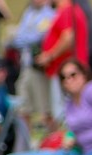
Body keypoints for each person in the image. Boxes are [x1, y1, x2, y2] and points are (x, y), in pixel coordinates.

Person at [34, 0, 88, 119]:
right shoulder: (69, 10)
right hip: (66, 70)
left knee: (63, 112)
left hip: (65, 71)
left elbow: (68, 38)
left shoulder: (67, 10)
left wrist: (49, 56)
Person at [9, 0, 57, 131]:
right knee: (23, 106)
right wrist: (20, 39)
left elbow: (37, 37)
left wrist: (20, 39)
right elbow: (20, 36)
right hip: (26, 65)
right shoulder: (29, 12)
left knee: (45, 107)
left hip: (39, 68)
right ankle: (25, 139)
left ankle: (53, 138)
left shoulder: (49, 15)